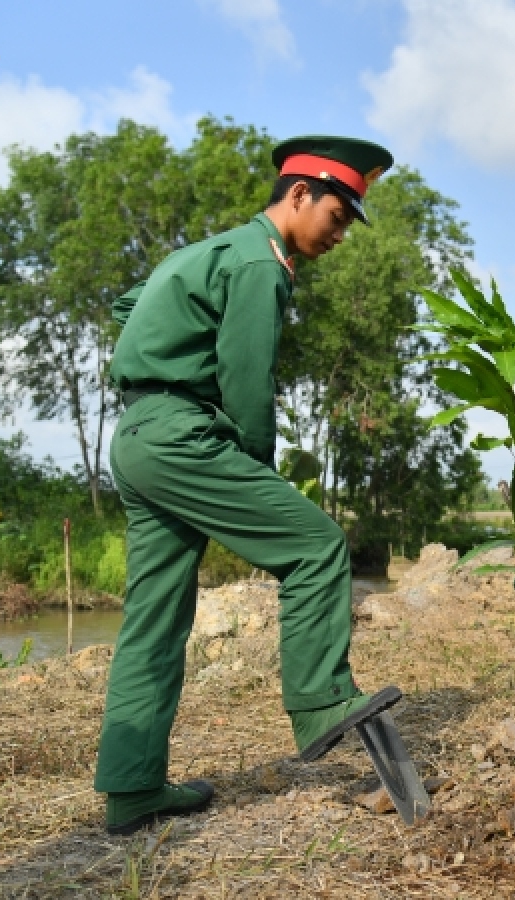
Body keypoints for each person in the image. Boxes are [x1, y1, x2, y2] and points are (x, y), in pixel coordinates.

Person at [96, 136, 399, 835]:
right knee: (317, 544)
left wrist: (171, 357)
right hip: (182, 437)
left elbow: (126, 307)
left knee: (155, 620)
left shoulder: (201, 253)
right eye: (339, 216)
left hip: (138, 437)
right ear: (299, 195)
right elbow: (247, 383)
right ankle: (322, 702)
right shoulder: (261, 265)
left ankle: (132, 788)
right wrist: (258, 476)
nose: (341, 234)